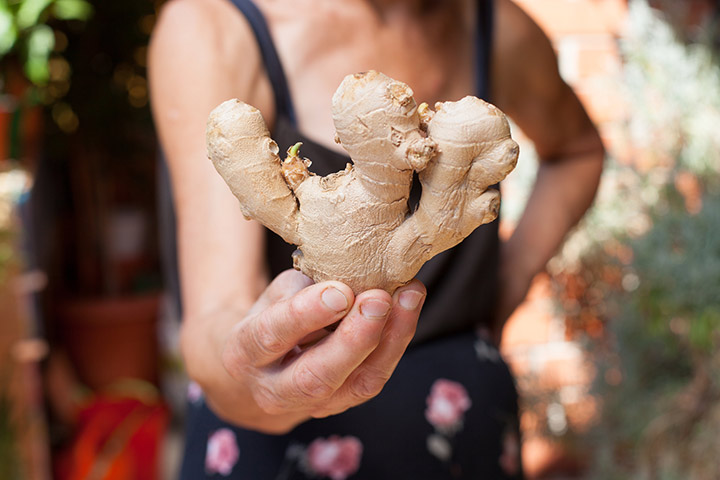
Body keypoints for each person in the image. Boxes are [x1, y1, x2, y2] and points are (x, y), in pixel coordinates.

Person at [148, 0, 604, 478]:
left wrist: (505, 283)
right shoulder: (215, 24)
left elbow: (577, 152)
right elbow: (214, 317)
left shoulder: (493, 26)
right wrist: (256, 373)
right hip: (276, 454)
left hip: (468, 444)